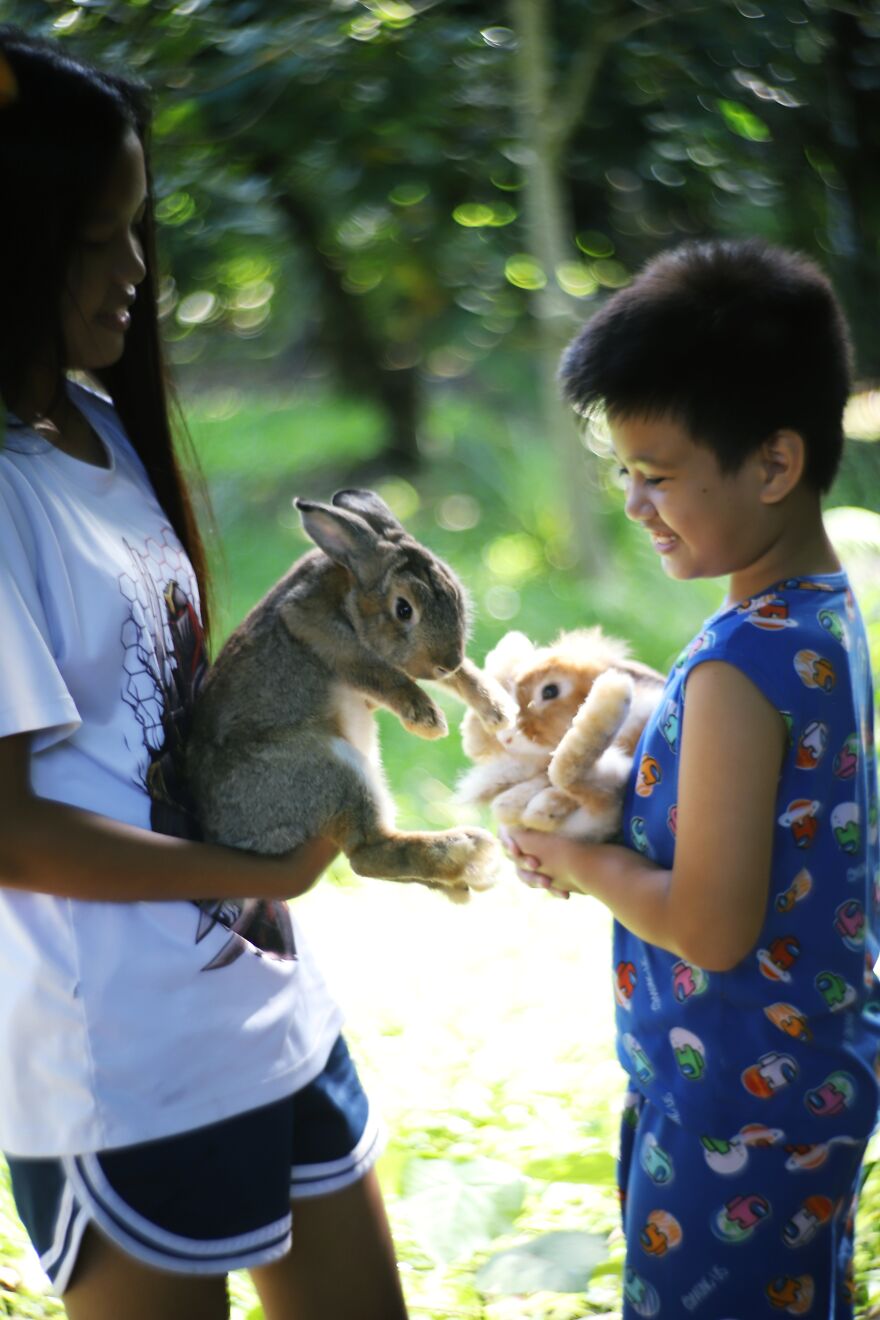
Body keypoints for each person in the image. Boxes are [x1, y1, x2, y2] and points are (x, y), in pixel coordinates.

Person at [0, 29, 408, 1320]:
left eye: (136, 229)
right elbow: (10, 830)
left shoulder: (101, 428)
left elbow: (173, 717)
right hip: (119, 1066)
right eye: (91, 237)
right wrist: (261, 871)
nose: (134, 272)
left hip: (259, 992)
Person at [504, 239, 880, 1318]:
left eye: (659, 475)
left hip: (736, 1113)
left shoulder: (735, 666)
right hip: (799, 1077)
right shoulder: (817, 610)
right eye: (624, 471)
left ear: (773, 463)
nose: (634, 502)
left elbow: (712, 927)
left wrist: (572, 859)